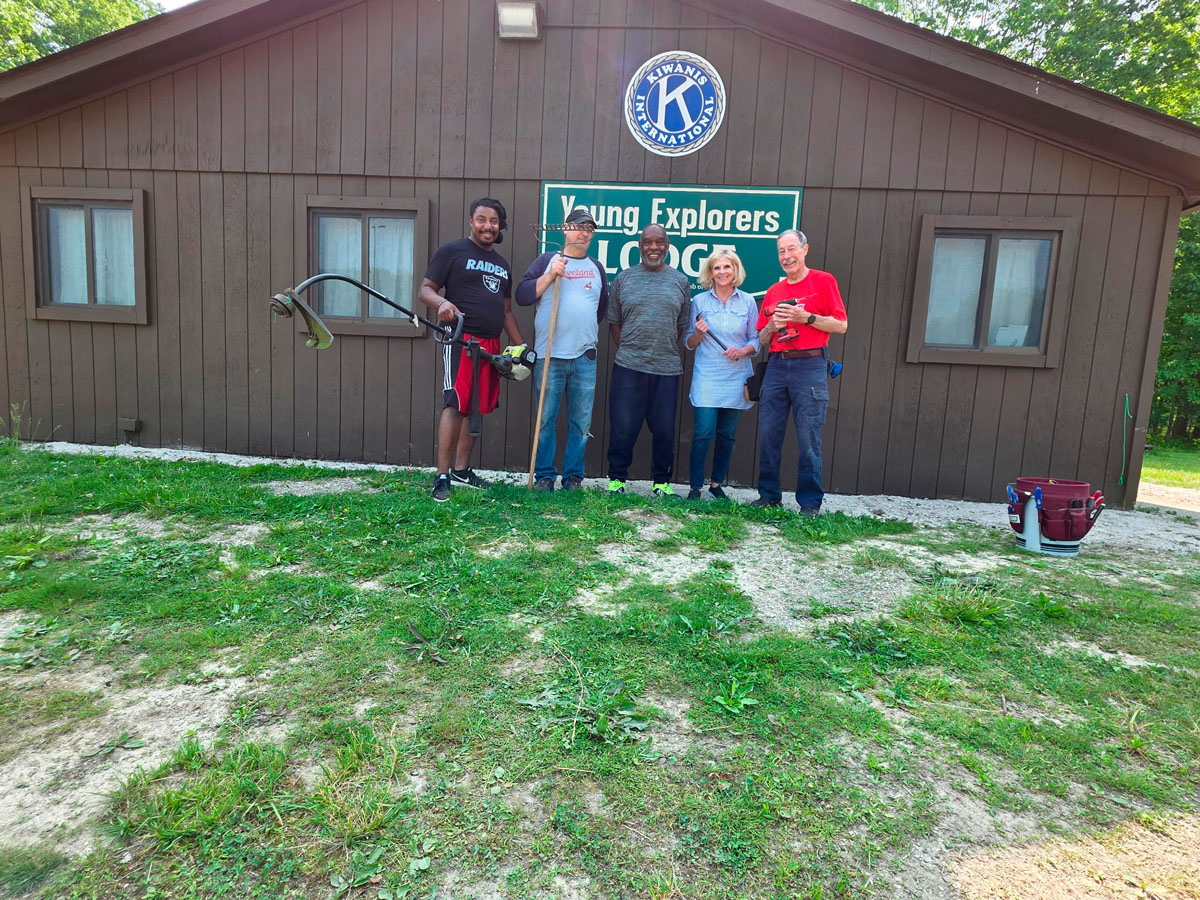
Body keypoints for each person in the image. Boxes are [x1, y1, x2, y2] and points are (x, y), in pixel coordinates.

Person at [420, 198, 525, 503]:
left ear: (500, 226)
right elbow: (425, 289)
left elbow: (506, 311)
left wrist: (520, 346)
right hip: (461, 340)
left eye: (493, 221)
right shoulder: (452, 251)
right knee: (455, 403)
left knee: (477, 407)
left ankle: (461, 471)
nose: (487, 226)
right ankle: (441, 476)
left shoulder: (502, 265)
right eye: (481, 219)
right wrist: (442, 303)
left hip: (491, 345)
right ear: (471, 221)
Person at [752, 229, 848, 514]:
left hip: (810, 365)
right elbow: (761, 338)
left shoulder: (823, 280)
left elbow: (841, 325)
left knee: (808, 436)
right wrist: (773, 326)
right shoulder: (774, 291)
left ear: (805, 250)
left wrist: (807, 317)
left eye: (791, 249)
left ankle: (809, 503)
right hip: (777, 365)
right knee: (768, 433)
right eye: (781, 251)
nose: (786, 256)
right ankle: (769, 496)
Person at [515, 206, 609, 491]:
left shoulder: (596, 268)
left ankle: (573, 478)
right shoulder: (547, 260)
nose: (584, 233)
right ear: (566, 229)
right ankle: (545, 475)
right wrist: (550, 276)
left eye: (589, 228)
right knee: (546, 419)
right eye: (579, 226)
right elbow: (521, 296)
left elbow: (600, 310)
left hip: (584, 356)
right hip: (550, 355)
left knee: (581, 422)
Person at [605, 224, 692, 497]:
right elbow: (615, 322)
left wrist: (660, 347)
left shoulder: (680, 281)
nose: (654, 247)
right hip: (628, 366)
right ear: (639, 246)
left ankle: (661, 483)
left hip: (666, 368)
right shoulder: (623, 279)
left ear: (667, 246)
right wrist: (632, 348)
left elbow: (680, 325)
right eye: (648, 242)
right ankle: (616, 480)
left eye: (659, 242)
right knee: (623, 426)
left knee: (664, 429)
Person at [683, 250, 759, 500]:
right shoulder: (699, 301)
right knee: (703, 433)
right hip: (707, 376)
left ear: (735, 270)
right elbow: (689, 343)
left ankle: (716, 485)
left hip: (737, 376)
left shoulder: (748, 301)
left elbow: (756, 339)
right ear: (710, 272)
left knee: (727, 435)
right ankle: (695, 487)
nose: (723, 272)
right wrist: (699, 333)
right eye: (717, 267)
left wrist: (742, 351)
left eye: (728, 266)